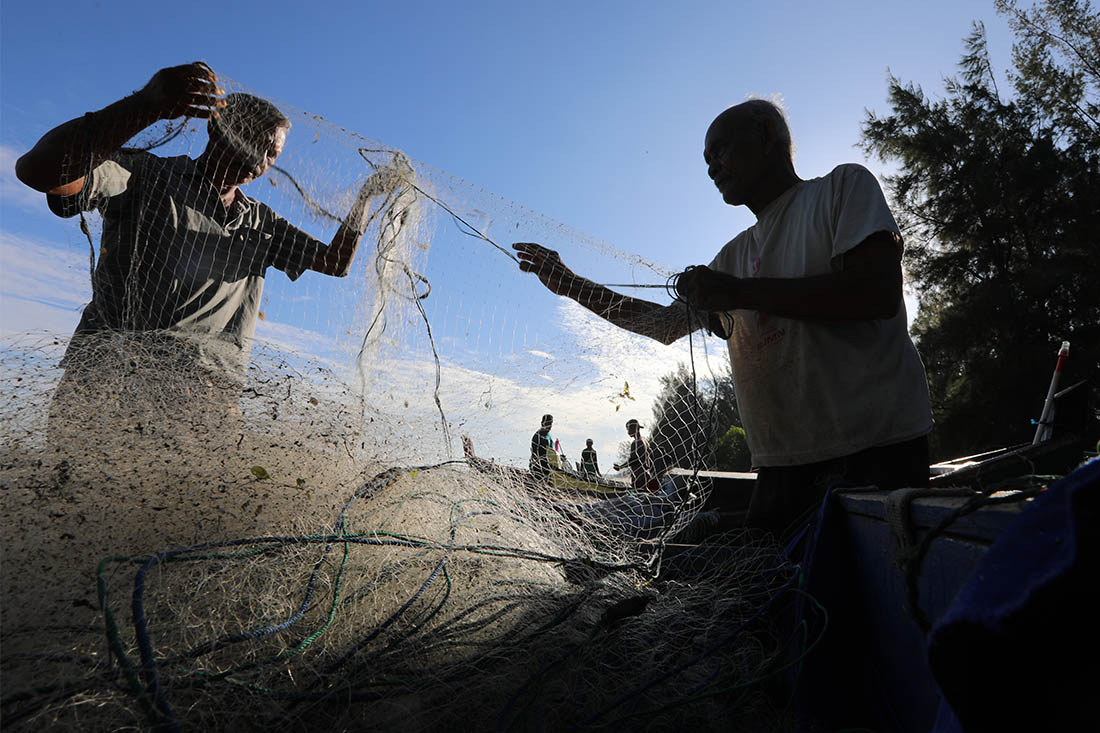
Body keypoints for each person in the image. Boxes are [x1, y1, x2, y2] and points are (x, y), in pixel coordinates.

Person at [514, 98, 933, 538]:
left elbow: (876, 291)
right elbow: (663, 325)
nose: (712, 168)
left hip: (878, 453)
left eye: (720, 150)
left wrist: (738, 293)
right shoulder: (732, 256)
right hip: (781, 466)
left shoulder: (841, 188)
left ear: (766, 136)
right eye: (706, 160)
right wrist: (571, 284)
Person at [15, 63, 402, 415]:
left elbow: (335, 263)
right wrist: (146, 105)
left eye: (271, 154)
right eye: (252, 141)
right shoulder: (142, 175)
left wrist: (365, 199)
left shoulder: (261, 221)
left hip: (208, 406)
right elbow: (40, 170)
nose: (259, 161)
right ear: (217, 129)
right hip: (109, 388)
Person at [613, 419, 655, 491]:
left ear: (634, 428)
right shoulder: (645, 441)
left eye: (628, 429)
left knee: (638, 495)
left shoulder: (636, 442)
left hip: (639, 477)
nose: (628, 432)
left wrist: (620, 467)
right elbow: (651, 456)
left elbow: (634, 460)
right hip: (646, 475)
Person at [529, 414, 556, 483]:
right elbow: (535, 455)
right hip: (538, 469)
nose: (549, 426)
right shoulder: (538, 436)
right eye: (547, 423)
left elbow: (552, 452)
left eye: (550, 424)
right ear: (542, 423)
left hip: (549, 468)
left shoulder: (549, 436)